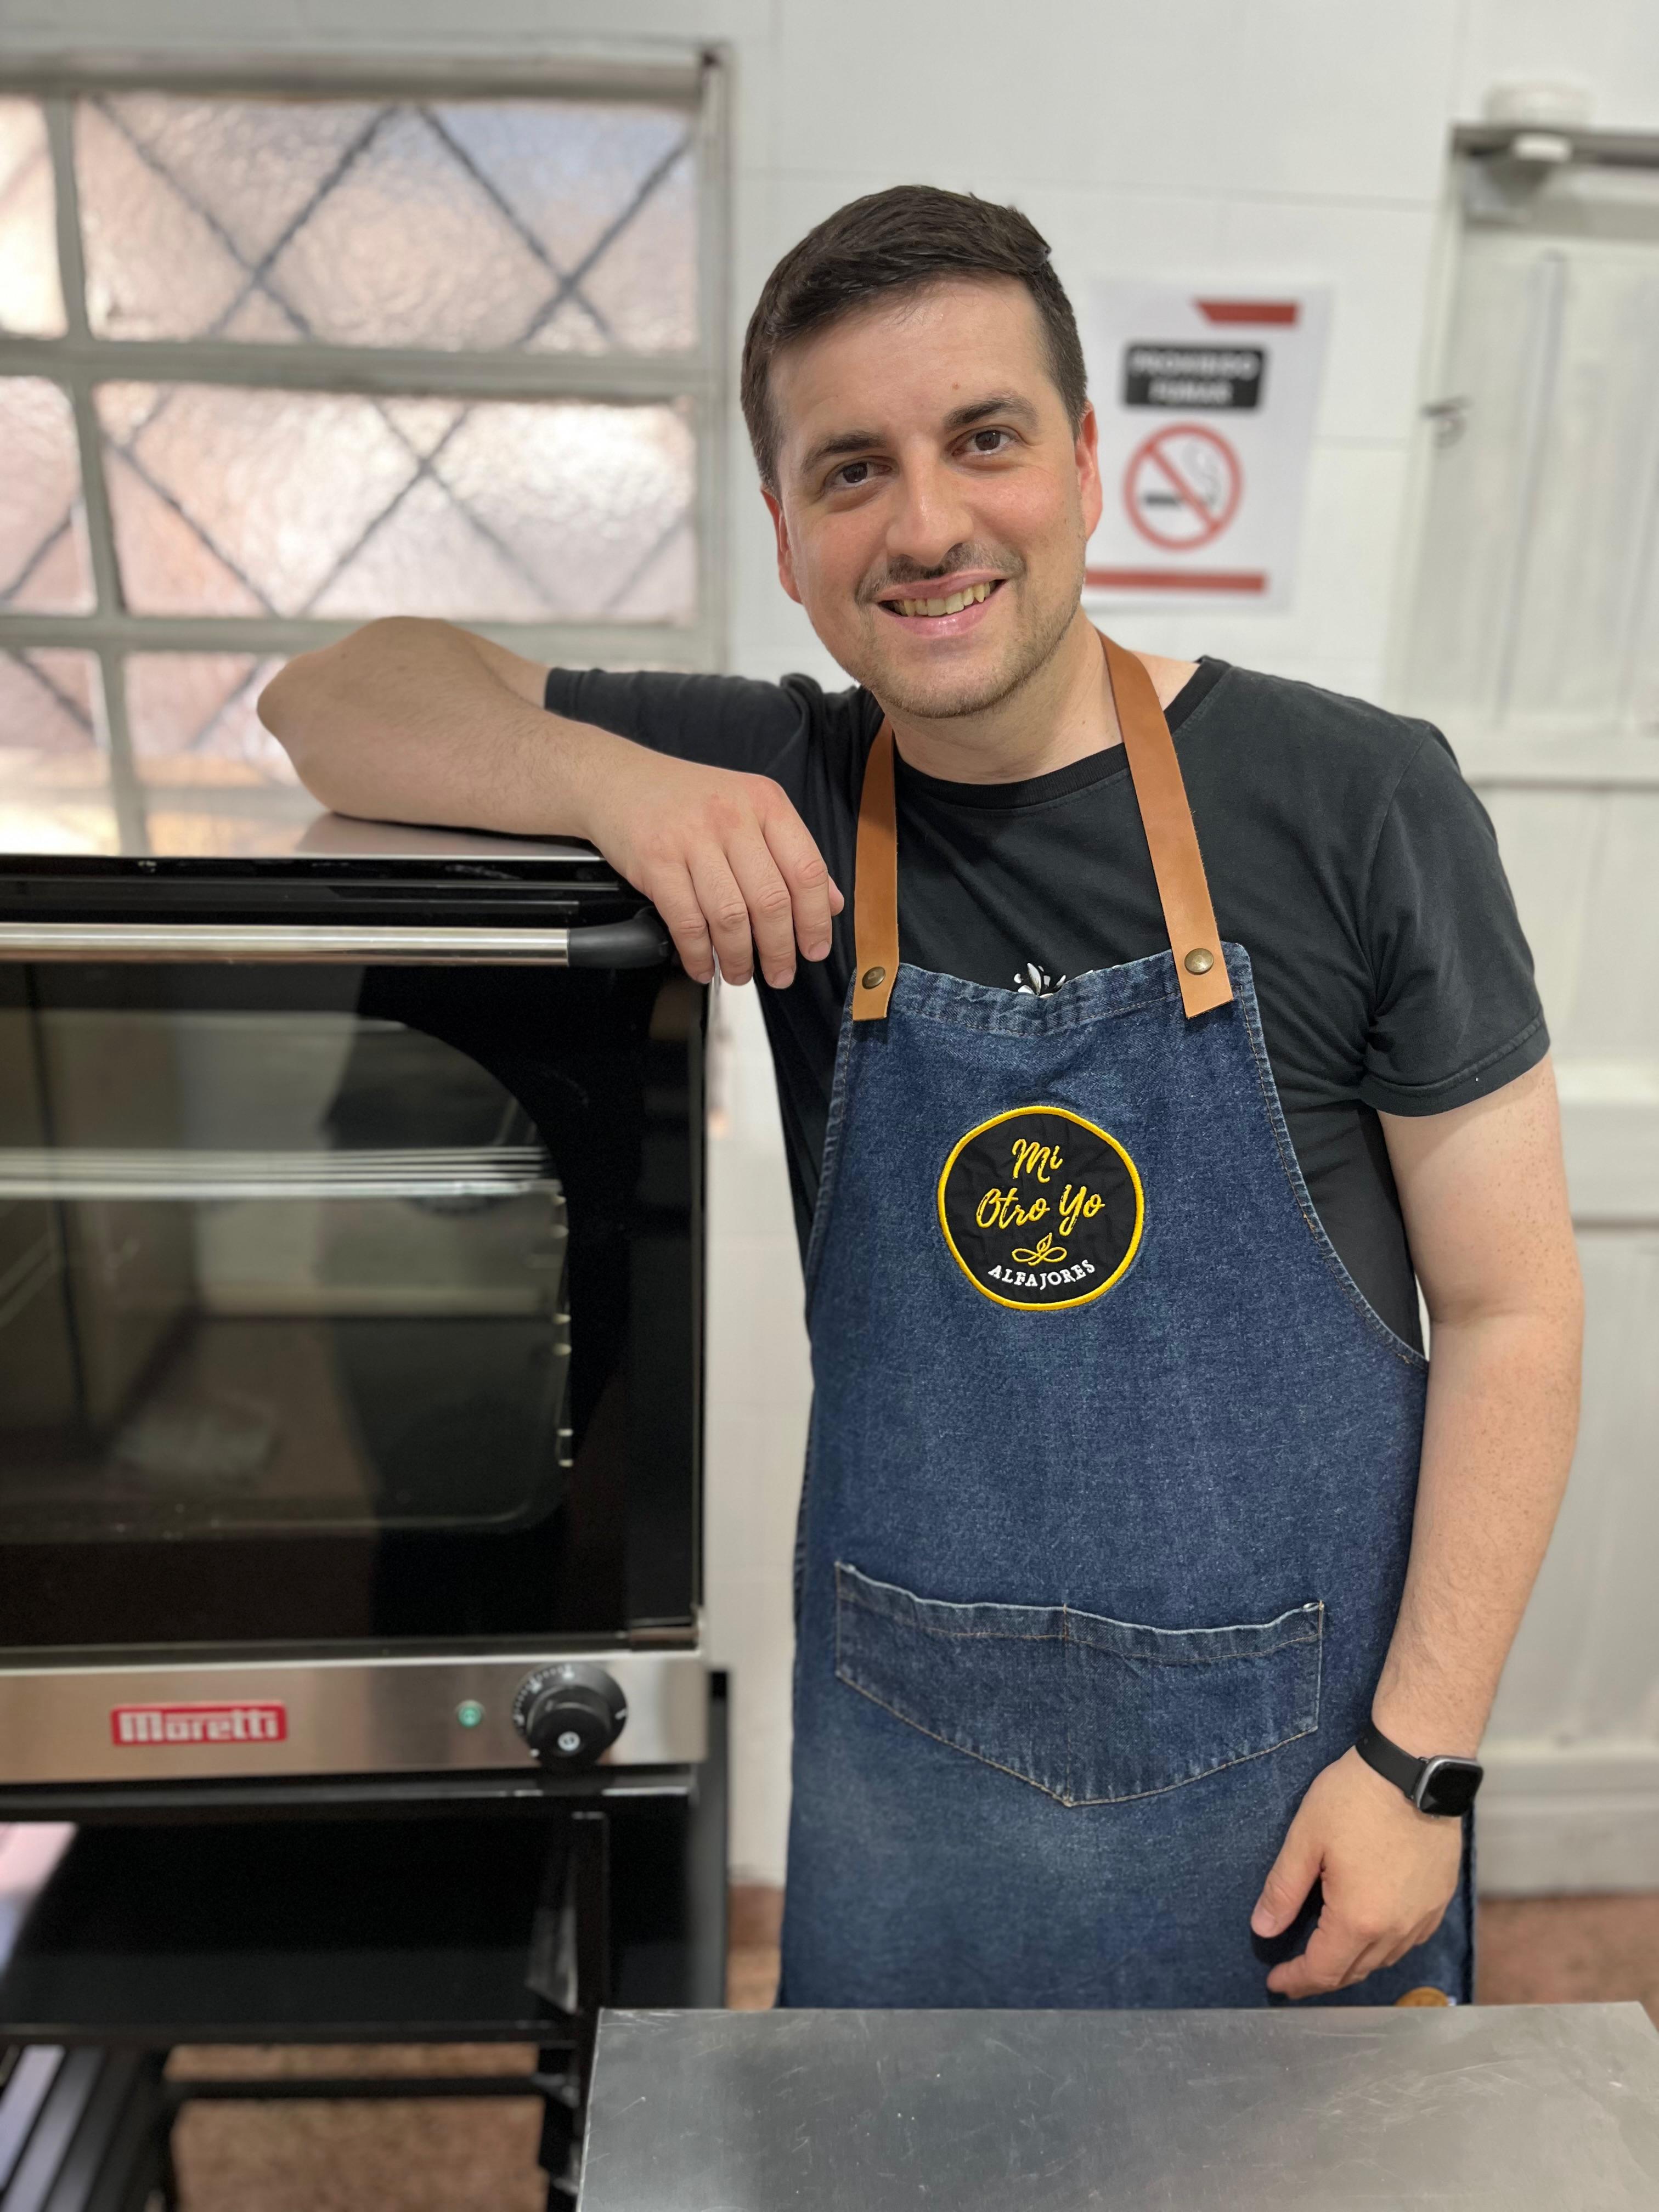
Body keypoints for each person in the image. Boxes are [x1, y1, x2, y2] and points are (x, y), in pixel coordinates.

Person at [261, 185, 1583, 2010]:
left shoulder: (1358, 801)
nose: (929, 523)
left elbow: (1517, 1310)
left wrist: (1420, 1761)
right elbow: (336, 697)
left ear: (1088, 462)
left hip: (1302, 1799)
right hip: (913, 1793)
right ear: (788, 532)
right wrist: (617, 790)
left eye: (985, 439)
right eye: (853, 470)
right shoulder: (791, 775)